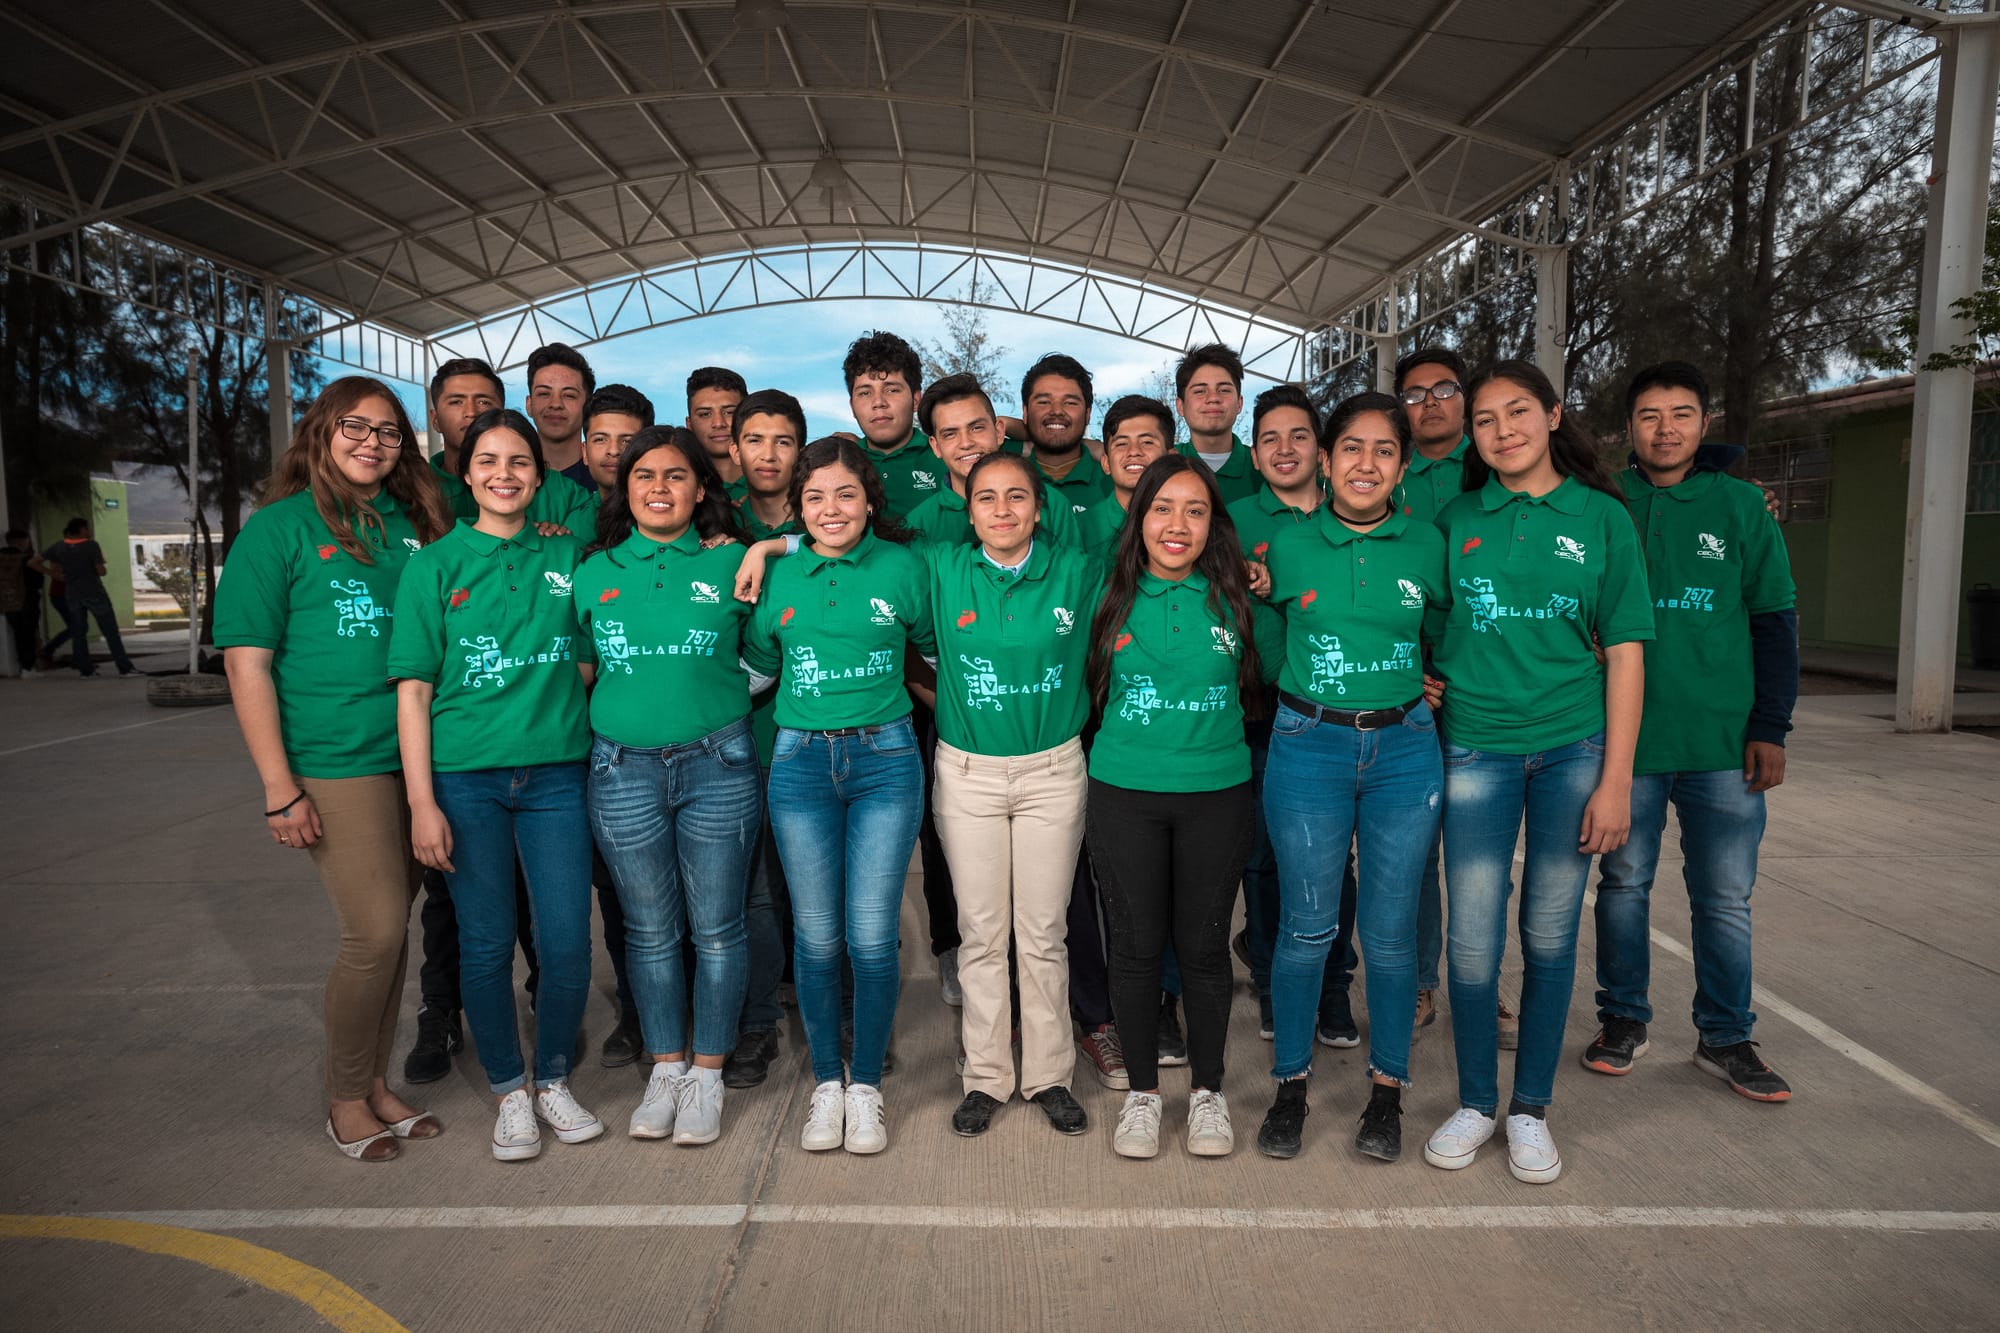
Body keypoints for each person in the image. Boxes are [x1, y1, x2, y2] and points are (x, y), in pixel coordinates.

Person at [1422, 360, 1654, 1185]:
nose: (1502, 430)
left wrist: (1618, 777)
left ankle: (1529, 1109)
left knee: (1551, 934)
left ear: (1553, 416)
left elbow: (1625, 650)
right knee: (1473, 938)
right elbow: (1413, 615)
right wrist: (1418, 672)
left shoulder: (1601, 519)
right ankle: (1478, 1100)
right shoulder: (1456, 518)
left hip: (1572, 750)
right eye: (1485, 420)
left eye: (1517, 412)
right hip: (1475, 746)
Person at [214, 375, 454, 1161]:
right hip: (335, 760)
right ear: (320, 431)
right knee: (374, 931)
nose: (372, 442)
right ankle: (345, 1098)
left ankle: (376, 1084)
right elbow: (248, 664)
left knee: (394, 938)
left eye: (389, 432)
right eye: (356, 425)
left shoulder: (415, 521)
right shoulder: (278, 529)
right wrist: (280, 789)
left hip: (417, 760)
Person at [389, 407, 603, 1163]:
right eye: (489, 461)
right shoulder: (434, 564)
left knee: (568, 943)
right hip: (466, 779)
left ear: (538, 477)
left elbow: (587, 660)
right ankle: (509, 1090)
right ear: (466, 472)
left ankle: (552, 1079)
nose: (504, 473)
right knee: (483, 944)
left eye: (519, 462)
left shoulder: (570, 555)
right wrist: (422, 802)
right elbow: (413, 690)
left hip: (555, 775)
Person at [1585, 361, 1798, 1101]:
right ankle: (1622, 1019)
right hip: (1626, 745)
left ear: (1704, 423)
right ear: (1630, 429)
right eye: (1649, 415)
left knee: (1725, 898)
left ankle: (1727, 1034)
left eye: (1680, 413)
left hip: (1720, 743)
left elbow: (1775, 621)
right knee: (1623, 884)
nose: (1665, 428)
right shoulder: (1601, 501)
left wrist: (1771, 723)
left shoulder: (1742, 507)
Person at [1255, 392, 1447, 1164]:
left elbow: (1449, 628)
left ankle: (1387, 1092)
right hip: (1308, 748)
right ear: (1327, 462)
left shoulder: (1429, 544)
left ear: (1402, 467)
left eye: (1385, 450)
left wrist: (1432, 678)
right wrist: (1296, 691)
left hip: (1405, 751)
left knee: (1392, 937)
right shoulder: (1286, 548)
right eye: (1352, 449)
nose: (1366, 463)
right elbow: (1262, 630)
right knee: (1306, 929)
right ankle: (1290, 1087)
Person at [740, 438, 935, 1155]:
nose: (831, 509)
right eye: (815, 496)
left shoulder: (903, 567)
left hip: (885, 758)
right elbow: (755, 672)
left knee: (870, 935)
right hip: (798, 767)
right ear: (798, 506)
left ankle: (867, 1090)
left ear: (869, 500)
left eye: (846, 494)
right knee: (818, 938)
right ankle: (827, 1082)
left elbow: (938, 653)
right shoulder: (780, 573)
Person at [1085, 454, 1280, 1160]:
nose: (1177, 524)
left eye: (1195, 510)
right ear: (1138, 518)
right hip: (1123, 792)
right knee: (1135, 949)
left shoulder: (1238, 597)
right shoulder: (1102, 592)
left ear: (1213, 525)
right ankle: (1142, 1093)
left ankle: (1207, 1093)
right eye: (1162, 507)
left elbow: (1298, 659)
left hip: (1216, 794)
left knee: (1201, 950)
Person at [574, 426, 763, 1145]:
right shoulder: (594, 572)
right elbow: (585, 670)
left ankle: (708, 1075)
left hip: (718, 765)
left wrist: (713, 707)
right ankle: (666, 1067)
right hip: (622, 769)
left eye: (676, 475)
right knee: (650, 932)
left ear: (702, 488)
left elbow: (765, 655)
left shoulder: (732, 566)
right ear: (624, 489)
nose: (659, 487)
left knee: (718, 929)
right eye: (644, 474)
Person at [922, 450, 1100, 1138]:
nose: (1002, 510)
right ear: (967, 511)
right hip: (968, 775)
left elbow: (1157, 559)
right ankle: (987, 1077)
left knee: (1043, 933)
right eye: (987, 497)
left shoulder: (1077, 573)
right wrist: (768, 543)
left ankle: (1051, 1074)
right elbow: (852, 540)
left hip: (1053, 773)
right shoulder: (941, 567)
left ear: (1039, 507)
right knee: (982, 933)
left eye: (1017, 496)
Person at [1228, 385, 1359, 1051]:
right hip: (1259, 713)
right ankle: (1279, 984)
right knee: (1265, 856)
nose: (1285, 449)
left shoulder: (1355, 514)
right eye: (1271, 438)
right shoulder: (1230, 518)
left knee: (1333, 860)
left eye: (1299, 436)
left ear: (1323, 451)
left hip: (1338, 714)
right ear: (1255, 453)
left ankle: (1334, 984)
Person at [1066, 393, 1176, 1090]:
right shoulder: (1079, 526)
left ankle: (1160, 1004)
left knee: (1160, 878)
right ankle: (1097, 1013)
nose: (1135, 451)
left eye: (1150, 440)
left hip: (1167, 722)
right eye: (1122, 441)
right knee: (1087, 883)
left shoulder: (1185, 520)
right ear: (1103, 453)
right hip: (1086, 718)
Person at [1391, 346, 1494, 1047]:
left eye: (1444, 389)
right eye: (1415, 393)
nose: (1429, 403)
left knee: (1482, 856)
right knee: (1417, 851)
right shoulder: (1385, 475)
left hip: (1487, 683)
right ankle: (1424, 979)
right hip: (1409, 690)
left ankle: (1482, 985)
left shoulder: (1494, 467)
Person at [721, 389, 808, 1088]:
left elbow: (867, 538)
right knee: (751, 893)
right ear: (733, 447)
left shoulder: (824, 507)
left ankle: (830, 1014)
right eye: (755, 439)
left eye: (783, 440)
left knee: (817, 889)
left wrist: (774, 541)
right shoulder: (713, 518)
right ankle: (757, 1021)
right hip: (733, 736)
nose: (769, 453)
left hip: (813, 737)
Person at [425, 356, 598, 534]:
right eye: (456, 402)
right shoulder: (414, 489)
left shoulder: (563, 491)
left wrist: (553, 540)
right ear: (435, 419)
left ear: (503, 414)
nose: (471, 412)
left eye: (484, 402)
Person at [844, 330, 949, 521]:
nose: (879, 402)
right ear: (852, 406)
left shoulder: (948, 456)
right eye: (865, 393)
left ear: (916, 400)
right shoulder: (840, 463)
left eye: (892, 390)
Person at [35, 519, 137, 678]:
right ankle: (124, 667)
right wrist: (99, 567)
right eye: (87, 528)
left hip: (72, 595)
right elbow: (101, 571)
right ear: (82, 529)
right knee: (110, 632)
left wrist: (54, 574)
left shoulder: (59, 546)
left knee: (78, 633)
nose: (89, 531)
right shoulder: (91, 545)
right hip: (94, 593)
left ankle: (86, 670)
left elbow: (33, 562)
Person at [1019, 353, 1110, 516]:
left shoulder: (1115, 481)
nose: (1057, 411)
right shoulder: (1005, 478)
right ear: (1025, 412)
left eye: (1070, 403)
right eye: (1044, 402)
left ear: (1088, 414)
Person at [1173, 344, 1260, 506]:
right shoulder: (1163, 463)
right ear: (1180, 406)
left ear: (1239, 403)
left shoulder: (1265, 468)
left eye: (1224, 390)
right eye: (1200, 391)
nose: (1213, 398)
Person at [524, 343, 596, 485]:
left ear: (588, 406)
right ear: (529, 404)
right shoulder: (509, 479)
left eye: (569, 395)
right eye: (544, 394)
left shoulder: (606, 483)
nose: (555, 404)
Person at [581, 384, 656, 502]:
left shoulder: (669, 517)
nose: (614, 451)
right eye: (600, 439)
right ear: (584, 452)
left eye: (627, 441)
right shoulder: (571, 517)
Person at [686, 367, 748, 495]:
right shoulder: (683, 489)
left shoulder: (776, 483)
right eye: (705, 414)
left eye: (729, 412)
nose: (719, 423)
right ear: (689, 425)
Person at [1, 529, 43, 677]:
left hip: (8, 602)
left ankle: (23, 666)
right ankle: (28, 667)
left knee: (18, 635)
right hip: (27, 601)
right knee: (28, 635)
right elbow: (38, 582)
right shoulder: (27, 560)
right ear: (21, 541)